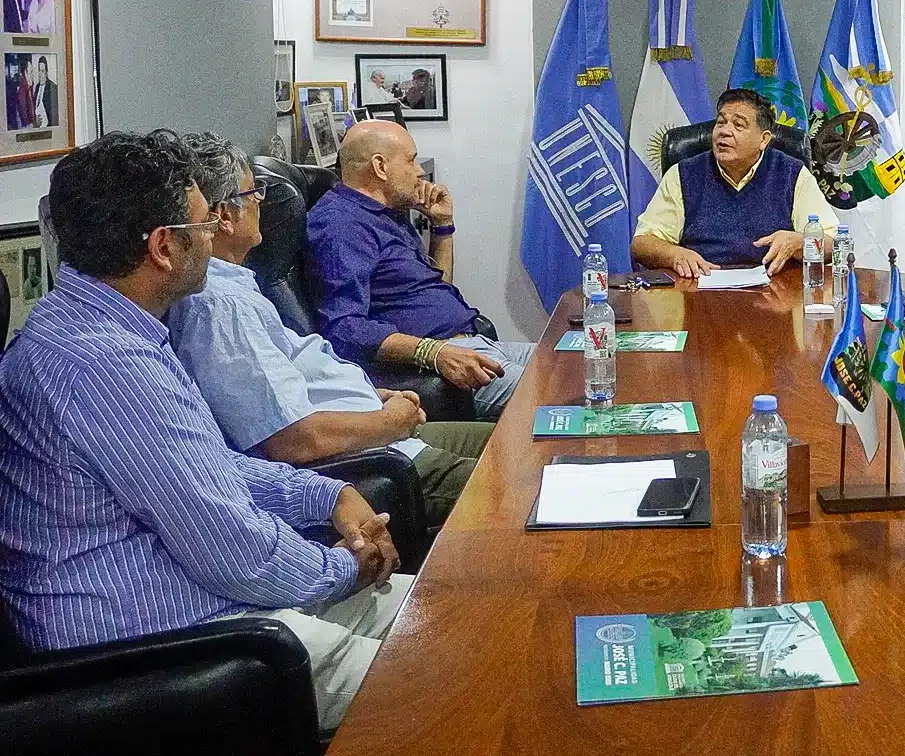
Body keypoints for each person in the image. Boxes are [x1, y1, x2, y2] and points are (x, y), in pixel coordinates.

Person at [0, 130, 412, 731]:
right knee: (442, 679)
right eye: (202, 226)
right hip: (159, 646)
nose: (215, 234)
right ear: (165, 246)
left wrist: (327, 495)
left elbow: (212, 466)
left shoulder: (111, 326)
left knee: (444, 607)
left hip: (207, 605)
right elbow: (233, 552)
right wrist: (347, 566)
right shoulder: (101, 362)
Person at [169, 134, 495, 527]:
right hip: (371, 455)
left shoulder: (238, 284)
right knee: (518, 479)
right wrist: (390, 420)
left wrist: (369, 395)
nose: (262, 201)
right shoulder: (220, 307)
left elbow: (291, 382)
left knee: (518, 442)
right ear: (224, 215)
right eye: (254, 191)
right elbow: (291, 439)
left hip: (375, 422)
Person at [307, 120, 533, 420]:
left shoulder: (388, 215)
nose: (419, 172)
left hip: (476, 344)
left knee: (580, 359)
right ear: (380, 167)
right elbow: (344, 328)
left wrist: (442, 227)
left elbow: (436, 287)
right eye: (411, 160)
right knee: (564, 391)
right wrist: (433, 352)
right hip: (445, 363)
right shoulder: (341, 225)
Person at [631, 88, 839, 278]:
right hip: (701, 294)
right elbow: (642, 244)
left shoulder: (792, 174)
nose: (724, 131)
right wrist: (674, 254)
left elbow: (833, 242)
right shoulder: (684, 174)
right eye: (721, 122)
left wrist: (798, 242)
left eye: (738, 125)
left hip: (774, 297)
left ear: (763, 140)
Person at [32, 54, 55, 127]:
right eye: (39, 71)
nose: (40, 74)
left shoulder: (52, 87)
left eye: (42, 71)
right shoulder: (37, 87)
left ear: (47, 73)